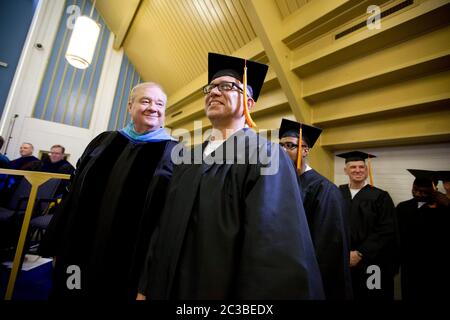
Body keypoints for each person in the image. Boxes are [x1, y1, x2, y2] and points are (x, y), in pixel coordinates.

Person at [137, 53, 324, 300]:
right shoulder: (187, 160)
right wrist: (146, 286)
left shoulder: (266, 156)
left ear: (249, 103)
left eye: (226, 86)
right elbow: (163, 228)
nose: (214, 92)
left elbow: (272, 251)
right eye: (211, 87)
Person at [40, 82, 178, 299]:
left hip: (127, 263)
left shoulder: (174, 152)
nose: (153, 107)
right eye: (145, 101)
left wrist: (150, 279)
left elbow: (169, 221)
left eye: (159, 103)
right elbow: (72, 193)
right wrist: (57, 244)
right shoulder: (103, 141)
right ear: (130, 106)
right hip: (76, 250)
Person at [279, 119, 352, 300]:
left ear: (304, 150)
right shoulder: (280, 182)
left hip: (308, 280)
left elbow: (327, 248)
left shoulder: (324, 190)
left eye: (289, 145)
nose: (282, 151)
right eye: (280, 146)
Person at [337, 151, 398, 300]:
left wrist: (360, 253)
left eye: (361, 167)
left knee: (373, 294)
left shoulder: (380, 196)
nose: (358, 170)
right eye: (353, 167)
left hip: (373, 261)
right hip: (343, 259)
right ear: (345, 170)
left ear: (366, 170)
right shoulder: (337, 192)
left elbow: (386, 229)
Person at [396, 169, 449, 300]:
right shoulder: (403, 207)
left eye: (423, 191)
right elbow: (396, 236)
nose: (418, 193)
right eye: (415, 190)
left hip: (437, 266)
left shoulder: (443, 208)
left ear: (433, 190)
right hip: (410, 265)